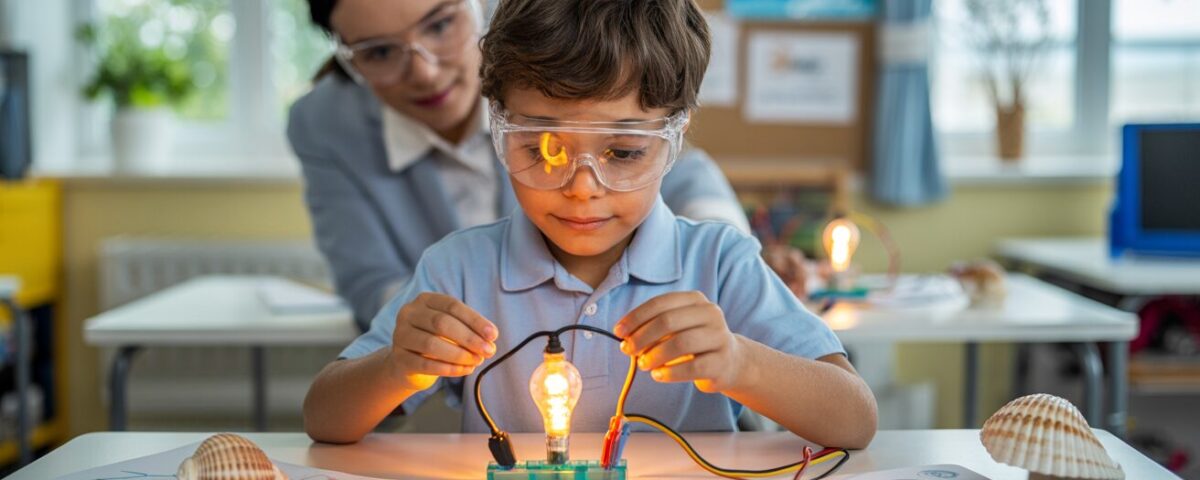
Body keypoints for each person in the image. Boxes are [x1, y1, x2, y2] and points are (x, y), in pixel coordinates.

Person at [303, 0, 878, 449]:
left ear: (672, 143)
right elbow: (325, 419)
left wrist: (738, 361)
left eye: (624, 152)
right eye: (546, 149)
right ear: (501, 131)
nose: (583, 187)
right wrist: (399, 367)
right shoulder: (459, 269)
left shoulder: (719, 264)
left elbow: (854, 418)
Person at [289, 0, 750, 331]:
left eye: (440, 25)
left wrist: (725, 274)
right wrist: (456, 321)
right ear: (348, 57)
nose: (424, 71)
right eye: (380, 52)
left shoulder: (535, 61)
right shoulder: (326, 123)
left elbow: (673, 162)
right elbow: (368, 277)